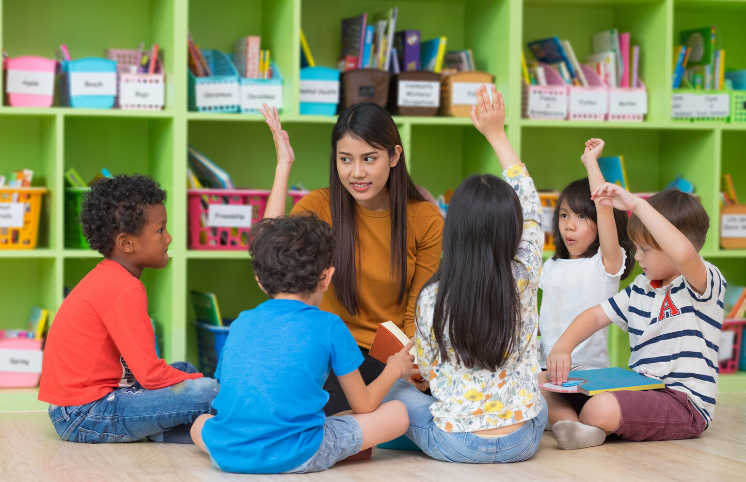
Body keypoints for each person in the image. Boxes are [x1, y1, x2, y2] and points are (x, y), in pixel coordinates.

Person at [382, 85, 548, 463]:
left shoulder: (431, 297)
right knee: (539, 400)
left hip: (456, 443)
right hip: (523, 440)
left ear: (453, 228)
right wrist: (497, 133)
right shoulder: (525, 271)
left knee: (392, 395)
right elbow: (531, 205)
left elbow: (426, 371)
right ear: (512, 228)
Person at [190, 214, 416, 474]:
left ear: (259, 280)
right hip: (298, 454)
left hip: (227, 453)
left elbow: (227, 392)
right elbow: (363, 405)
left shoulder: (242, 321)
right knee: (398, 412)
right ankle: (340, 446)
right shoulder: (330, 325)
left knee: (201, 423)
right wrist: (394, 369)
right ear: (326, 277)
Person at [259, 102, 443, 415]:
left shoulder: (424, 218)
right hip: (324, 351)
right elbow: (270, 257)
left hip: (385, 360)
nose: (356, 173)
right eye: (346, 160)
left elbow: (419, 313)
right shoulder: (320, 205)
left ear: (394, 156)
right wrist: (282, 167)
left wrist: (415, 365)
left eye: (369, 159)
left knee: (420, 414)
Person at [39, 175, 219, 443]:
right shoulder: (123, 288)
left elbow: (144, 372)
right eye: (160, 230)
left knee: (184, 368)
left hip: (80, 406)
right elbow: (150, 374)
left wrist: (188, 377)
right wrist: (202, 382)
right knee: (208, 390)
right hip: (84, 413)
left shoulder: (111, 277)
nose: (169, 238)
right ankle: (205, 429)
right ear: (127, 243)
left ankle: (165, 432)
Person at [546, 184, 722, 450]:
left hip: (683, 403)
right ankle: (573, 427)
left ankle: (588, 421)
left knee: (601, 407)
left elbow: (684, 254)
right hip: (642, 388)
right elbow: (594, 316)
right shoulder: (641, 287)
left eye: (645, 249)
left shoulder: (701, 283)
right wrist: (563, 346)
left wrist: (638, 205)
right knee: (540, 385)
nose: (637, 256)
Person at [539, 139, 634, 427]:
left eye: (581, 216)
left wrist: (591, 162)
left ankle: (572, 424)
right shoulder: (551, 265)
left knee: (537, 388)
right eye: (565, 215)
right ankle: (572, 427)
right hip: (547, 373)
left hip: (588, 375)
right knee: (532, 385)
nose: (569, 225)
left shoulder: (605, 265)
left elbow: (604, 209)